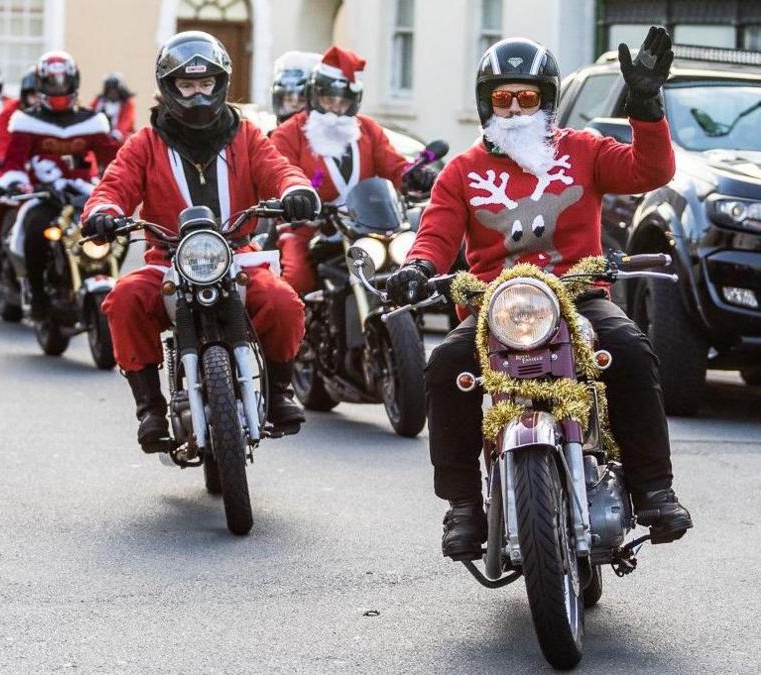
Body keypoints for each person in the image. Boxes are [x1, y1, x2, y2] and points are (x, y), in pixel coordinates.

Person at [387, 29, 693, 560]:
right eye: (501, 97)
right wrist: (418, 266)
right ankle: (463, 504)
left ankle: (653, 490)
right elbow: (436, 234)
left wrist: (645, 105)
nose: (513, 108)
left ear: (547, 101)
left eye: (526, 97)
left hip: (578, 297)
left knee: (630, 349)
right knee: (445, 366)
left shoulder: (586, 151)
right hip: (495, 307)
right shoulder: (461, 171)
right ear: (485, 103)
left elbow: (652, 170)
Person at [81, 31, 320, 447]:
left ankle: (280, 390)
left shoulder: (246, 135)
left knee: (283, 302)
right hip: (167, 260)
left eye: (205, 84)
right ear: (168, 87)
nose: (197, 95)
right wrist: (103, 212)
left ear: (221, 82)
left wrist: (295, 191)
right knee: (123, 300)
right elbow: (114, 185)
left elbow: (279, 169)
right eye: (186, 85)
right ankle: (150, 407)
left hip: (237, 255)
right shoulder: (145, 141)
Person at [270, 46, 437, 295]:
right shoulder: (288, 133)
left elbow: (394, 166)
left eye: (343, 101)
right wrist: (297, 197)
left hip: (367, 229)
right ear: (314, 96)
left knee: (409, 268)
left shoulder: (368, 129)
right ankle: (295, 333)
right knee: (296, 279)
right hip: (309, 228)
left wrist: (415, 175)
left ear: (354, 102)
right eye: (328, 100)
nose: (335, 109)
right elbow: (280, 173)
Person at [0, 51, 121, 319]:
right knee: (35, 229)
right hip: (44, 195)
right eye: (52, 83)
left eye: (63, 82)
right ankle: (38, 295)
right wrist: (16, 184)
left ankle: (104, 276)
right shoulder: (27, 121)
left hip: (85, 194)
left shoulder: (92, 121)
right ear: (40, 85)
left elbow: (114, 159)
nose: (58, 89)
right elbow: (14, 162)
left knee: (119, 229)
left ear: (75, 82)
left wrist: (121, 183)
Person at [0, 67, 42, 276]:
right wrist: (6, 175)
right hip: (15, 172)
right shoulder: (11, 111)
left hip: (46, 177)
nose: (39, 99)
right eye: (34, 95)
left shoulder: (65, 116)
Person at [270, 50, 319, 127]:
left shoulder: (323, 137)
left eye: (301, 100)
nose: (294, 104)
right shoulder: (270, 136)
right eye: (288, 99)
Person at [90, 73, 136, 141]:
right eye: (109, 89)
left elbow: (127, 121)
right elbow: (89, 113)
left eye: (115, 89)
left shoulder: (127, 103)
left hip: (119, 138)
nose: (112, 92)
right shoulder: (98, 101)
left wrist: (117, 133)